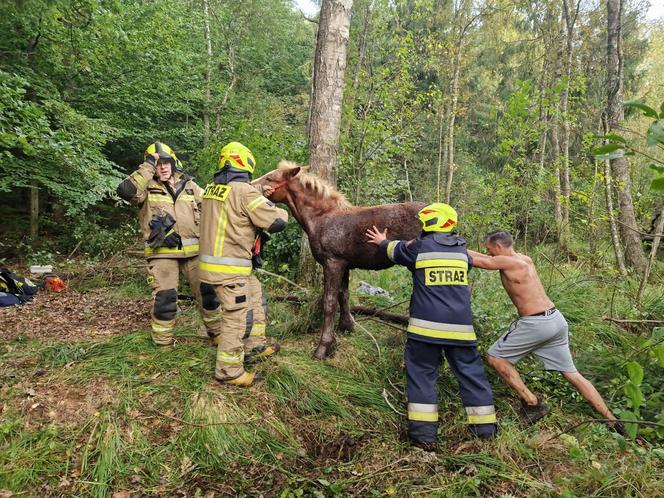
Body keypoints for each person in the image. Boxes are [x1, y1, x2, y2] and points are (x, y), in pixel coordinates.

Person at [366, 203, 497, 451]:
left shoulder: (418, 248)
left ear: (427, 223)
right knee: (472, 377)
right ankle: (485, 433)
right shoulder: (462, 253)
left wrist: (383, 241)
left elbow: (395, 251)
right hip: (462, 332)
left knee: (422, 378)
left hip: (425, 331)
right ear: (450, 223)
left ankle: (424, 437)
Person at [468, 230, 624, 433]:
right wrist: (456, 245)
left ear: (498, 247)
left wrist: (443, 246)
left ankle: (532, 402)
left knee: (495, 358)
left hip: (537, 324)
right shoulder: (523, 259)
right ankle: (613, 421)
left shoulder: (510, 263)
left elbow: (481, 262)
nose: (487, 254)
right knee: (573, 374)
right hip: (555, 320)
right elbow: (480, 257)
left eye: (489, 250)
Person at [198, 142, 288, 386]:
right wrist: (276, 208)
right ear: (246, 163)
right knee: (236, 318)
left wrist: (257, 192)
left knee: (256, 294)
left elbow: (235, 204)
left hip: (211, 267)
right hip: (230, 269)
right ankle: (230, 371)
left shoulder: (211, 190)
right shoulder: (245, 193)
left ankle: (254, 346)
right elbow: (275, 223)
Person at [116, 142, 221, 345]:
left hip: (195, 254)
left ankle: (218, 334)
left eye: (166, 162)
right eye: (158, 164)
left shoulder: (190, 186)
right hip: (162, 253)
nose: (163, 167)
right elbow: (125, 191)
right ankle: (163, 343)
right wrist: (148, 165)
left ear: (173, 163)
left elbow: (215, 205)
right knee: (165, 299)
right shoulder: (146, 188)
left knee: (209, 295)